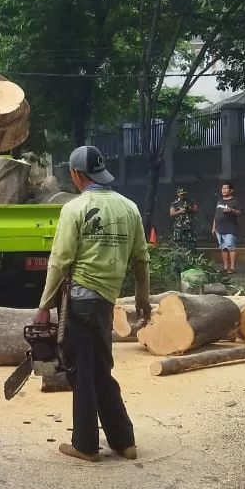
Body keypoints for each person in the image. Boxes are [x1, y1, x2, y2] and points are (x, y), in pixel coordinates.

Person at [34, 146, 150, 463]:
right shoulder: (129, 208)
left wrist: (44, 305)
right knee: (101, 369)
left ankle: (85, 444)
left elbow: (60, 262)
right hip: (105, 302)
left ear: (76, 174)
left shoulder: (75, 209)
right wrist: (143, 298)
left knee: (81, 371)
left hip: (80, 301)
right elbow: (141, 259)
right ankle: (124, 441)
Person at [212, 182, 241, 274]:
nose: (224, 190)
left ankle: (232, 268)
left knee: (230, 247)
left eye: (226, 188)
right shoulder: (219, 201)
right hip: (219, 228)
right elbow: (216, 215)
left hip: (230, 228)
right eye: (222, 188)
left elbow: (240, 212)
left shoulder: (234, 201)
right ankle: (226, 267)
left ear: (231, 190)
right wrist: (214, 227)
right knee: (223, 248)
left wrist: (231, 210)